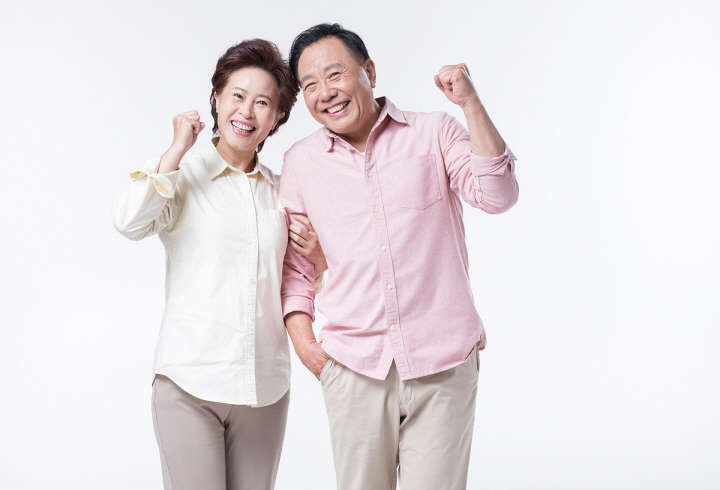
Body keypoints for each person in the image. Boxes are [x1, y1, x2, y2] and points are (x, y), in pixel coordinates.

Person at [280, 23, 519, 490]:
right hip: (354, 368)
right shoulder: (301, 162)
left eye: (335, 74)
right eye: (310, 85)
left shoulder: (434, 132)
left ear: (369, 71)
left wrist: (470, 104)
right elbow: (295, 270)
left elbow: (498, 195)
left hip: (443, 363)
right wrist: (310, 352)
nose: (325, 93)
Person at [112, 39, 326, 490]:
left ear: (278, 117)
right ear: (217, 99)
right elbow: (129, 222)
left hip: (264, 389)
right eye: (237, 95)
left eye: (263, 102)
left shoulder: (282, 193)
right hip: (190, 384)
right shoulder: (181, 176)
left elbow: (301, 281)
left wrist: (320, 262)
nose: (246, 111)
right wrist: (176, 149)